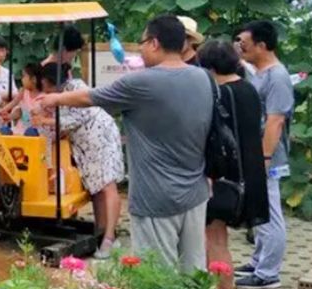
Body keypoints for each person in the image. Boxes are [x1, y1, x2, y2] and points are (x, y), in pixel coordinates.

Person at [39, 15, 212, 272]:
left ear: (154, 43)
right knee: (194, 271)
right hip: (196, 194)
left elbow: (91, 97)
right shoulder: (202, 78)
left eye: (142, 42)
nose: (140, 49)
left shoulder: (142, 82)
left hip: (156, 198)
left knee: (157, 277)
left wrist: (54, 99)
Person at [197, 40, 269, 289]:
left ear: (210, 67)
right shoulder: (248, 89)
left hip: (224, 177)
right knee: (219, 240)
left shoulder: (220, 94)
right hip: (248, 173)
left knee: (216, 241)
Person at [34, 62, 125, 259]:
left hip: (101, 139)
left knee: (108, 186)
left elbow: (75, 119)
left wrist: (46, 120)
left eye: (46, 86)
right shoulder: (58, 96)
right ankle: (101, 233)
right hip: (85, 146)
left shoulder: (76, 89)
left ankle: (110, 237)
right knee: (96, 190)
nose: (45, 90)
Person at [234, 21, 293, 289]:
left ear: (261, 45)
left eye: (244, 43)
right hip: (256, 154)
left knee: (268, 211)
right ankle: (258, 260)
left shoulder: (277, 77)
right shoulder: (258, 72)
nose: (240, 47)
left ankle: (268, 273)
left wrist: (265, 157)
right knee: (258, 207)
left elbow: (275, 121)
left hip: (267, 156)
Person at [2, 63, 43, 136]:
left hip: (35, 132)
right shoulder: (24, 92)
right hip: (20, 130)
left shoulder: (43, 97)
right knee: (4, 131)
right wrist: (8, 113)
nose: (22, 79)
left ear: (33, 79)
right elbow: (18, 107)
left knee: (31, 133)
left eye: (24, 76)